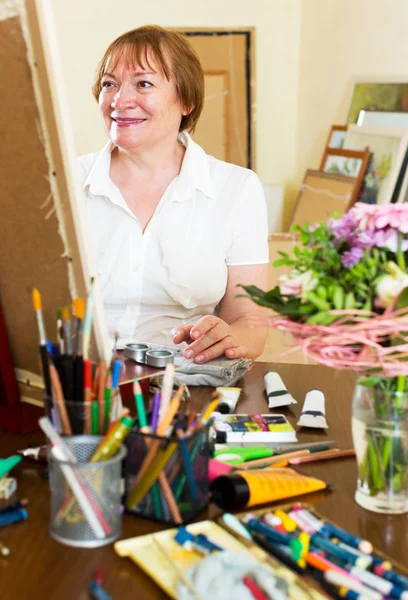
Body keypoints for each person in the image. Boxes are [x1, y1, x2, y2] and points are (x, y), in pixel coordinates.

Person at [79, 25, 269, 365]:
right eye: (110, 84)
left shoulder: (237, 188)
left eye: (143, 83)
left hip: (183, 382)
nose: (120, 101)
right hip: (80, 382)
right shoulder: (64, 180)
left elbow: (251, 322)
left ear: (187, 101)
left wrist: (226, 337)